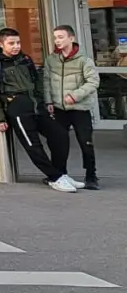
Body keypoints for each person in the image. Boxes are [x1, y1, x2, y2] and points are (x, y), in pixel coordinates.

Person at [0, 27, 78, 193]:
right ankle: (55, 177)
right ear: (1, 44)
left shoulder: (25, 59)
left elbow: (36, 82)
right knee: (33, 145)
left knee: (60, 135)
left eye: (18, 42)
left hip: (36, 106)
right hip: (17, 108)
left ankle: (61, 173)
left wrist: (44, 103)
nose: (16, 46)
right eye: (11, 43)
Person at [45, 24, 100, 190]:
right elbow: (46, 82)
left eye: (61, 37)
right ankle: (59, 174)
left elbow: (93, 82)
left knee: (86, 142)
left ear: (71, 38)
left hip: (80, 109)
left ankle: (91, 176)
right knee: (58, 143)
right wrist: (49, 102)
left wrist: (74, 95)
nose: (57, 41)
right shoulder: (51, 60)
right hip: (59, 108)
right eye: (55, 38)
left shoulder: (84, 60)